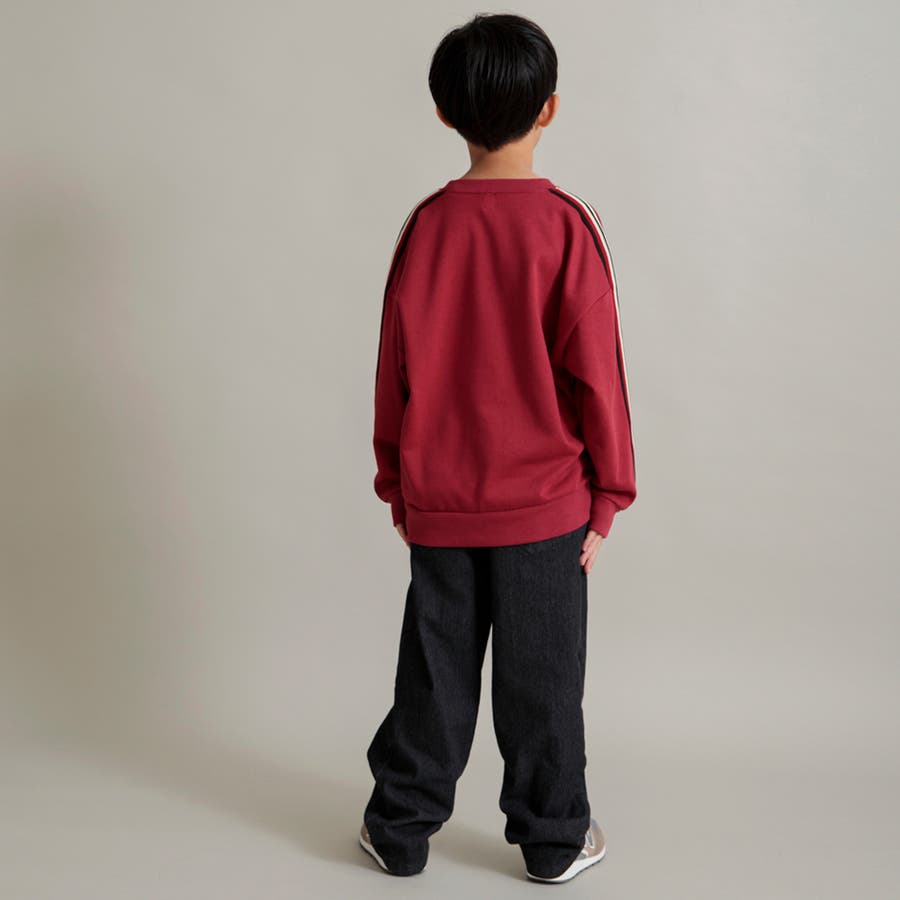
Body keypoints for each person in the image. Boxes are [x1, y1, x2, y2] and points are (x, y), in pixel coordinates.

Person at [358, 12, 637, 884]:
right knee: (543, 681)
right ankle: (554, 842)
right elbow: (599, 374)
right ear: (549, 108)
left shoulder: (426, 226)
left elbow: (394, 365)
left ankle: (399, 830)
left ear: (445, 114)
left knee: (433, 677)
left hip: (440, 502)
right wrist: (609, 495)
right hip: (547, 511)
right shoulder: (567, 226)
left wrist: (398, 483)